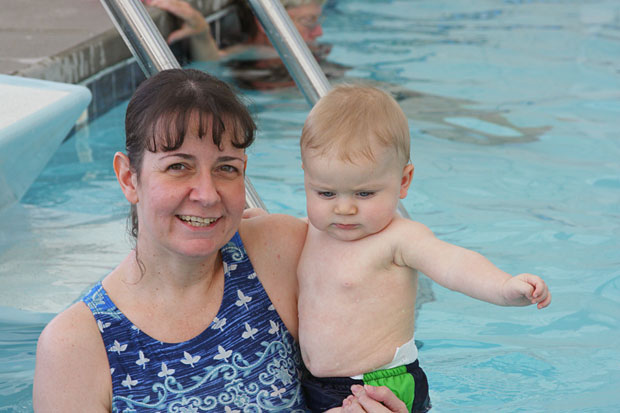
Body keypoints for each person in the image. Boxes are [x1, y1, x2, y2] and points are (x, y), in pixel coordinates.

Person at [32, 69, 407, 412]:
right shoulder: (76, 345)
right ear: (129, 178)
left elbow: (388, 359)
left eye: (227, 167)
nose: (207, 194)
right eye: (178, 166)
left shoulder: (281, 254)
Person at [296, 84, 552, 412]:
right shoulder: (307, 232)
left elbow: (454, 264)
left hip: (379, 384)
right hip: (315, 383)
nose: (344, 209)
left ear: (404, 181)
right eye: (326, 193)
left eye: (364, 194)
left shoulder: (399, 239)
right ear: (306, 179)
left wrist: (503, 287)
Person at [144, 0, 326, 61]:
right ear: (268, 24)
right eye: (308, 21)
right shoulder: (259, 52)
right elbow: (213, 61)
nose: (319, 32)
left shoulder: (316, 54)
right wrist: (201, 33)